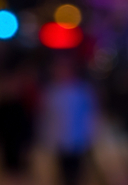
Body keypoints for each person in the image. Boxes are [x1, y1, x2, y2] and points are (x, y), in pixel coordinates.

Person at [40, 57, 97, 185]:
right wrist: (47, 137)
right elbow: (47, 118)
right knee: (62, 174)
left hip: (78, 141)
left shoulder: (82, 91)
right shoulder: (52, 92)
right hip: (60, 141)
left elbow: (90, 116)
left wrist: (89, 135)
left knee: (76, 174)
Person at [0, 67, 34, 180]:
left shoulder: (21, 105)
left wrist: (26, 141)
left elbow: (26, 125)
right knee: (8, 170)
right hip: (6, 142)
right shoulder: (1, 105)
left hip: (19, 143)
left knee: (19, 169)